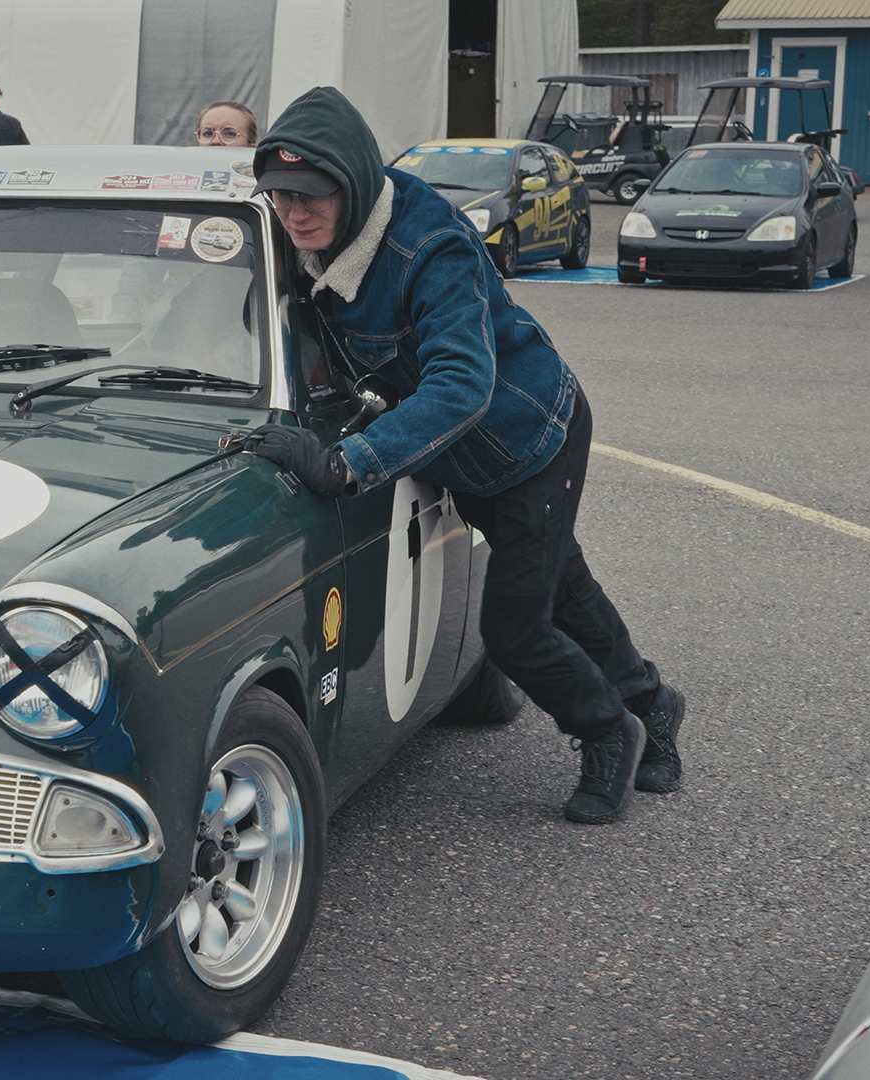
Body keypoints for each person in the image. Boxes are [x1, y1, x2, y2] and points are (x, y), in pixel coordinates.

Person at [241, 87, 684, 826]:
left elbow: (461, 384)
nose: (295, 213)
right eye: (280, 195)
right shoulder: (298, 231)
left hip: (529, 438)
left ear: (353, 182)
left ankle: (611, 729)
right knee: (562, 588)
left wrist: (349, 462)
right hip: (452, 453)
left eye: (311, 195)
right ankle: (653, 700)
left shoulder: (430, 245)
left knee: (514, 628)